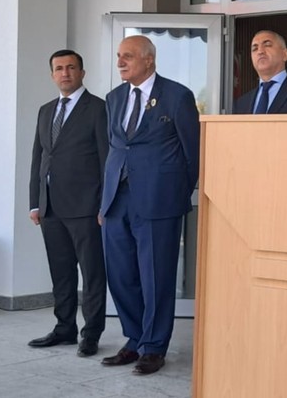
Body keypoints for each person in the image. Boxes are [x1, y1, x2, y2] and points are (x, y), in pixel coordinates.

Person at [99, 35, 200, 375]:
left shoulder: (177, 95)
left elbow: (193, 153)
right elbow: (114, 150)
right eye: (119, 56)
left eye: (128, 56)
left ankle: (154, 347)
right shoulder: (114, 98)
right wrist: (104, 202)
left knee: (156, 277)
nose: (120, 62)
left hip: (159, 200)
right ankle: (134, 339)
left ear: (149, 59)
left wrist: (176, 194)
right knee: (121, 275)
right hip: (117, 201)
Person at [28, 50, 108, 357]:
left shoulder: (98, 109)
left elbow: (106, 159)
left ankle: (91, 334)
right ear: (52, 75)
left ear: (82, 73)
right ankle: (64, 328)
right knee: (61, 273)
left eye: (71, 67)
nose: (65, 73)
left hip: (86, 208)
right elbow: (39, 158)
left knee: (92, 274)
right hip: (50, 208)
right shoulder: (46, 110)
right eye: (59, 68)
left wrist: (104, 205)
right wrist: (35, 202)